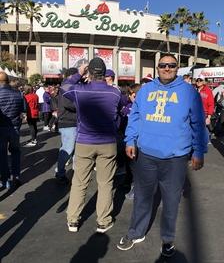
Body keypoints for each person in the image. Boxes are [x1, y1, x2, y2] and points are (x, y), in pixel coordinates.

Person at [117, 54, 207, 257]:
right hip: (146, 154)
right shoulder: (146, 90)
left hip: (176, 158)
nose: (167, 68)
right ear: (157, 68)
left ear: (177, 68)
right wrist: (130, 140)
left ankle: (167, 240)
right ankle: (135, 232)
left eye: (172, 65)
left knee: (171, 201)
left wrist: (199, 151)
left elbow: (198, 124)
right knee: (142, 197)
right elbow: (135, 117)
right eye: (163, 65)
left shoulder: (189, 92)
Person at [61, 57, 122, 233]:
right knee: (105, 183)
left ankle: (73, 220)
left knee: (80, 182)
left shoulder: (79, 90)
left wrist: (79, 73)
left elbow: (64, 87)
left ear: (89, 72)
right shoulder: (115, 93)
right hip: (107, 143)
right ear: (104, 73)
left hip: (84, 142)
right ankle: (103, 221)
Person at [0, 72, 24, 189]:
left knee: (2, 154)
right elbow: (22, 110)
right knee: (15, 152)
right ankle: (16, 175)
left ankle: (5, 179)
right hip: (15, 127)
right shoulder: (18, 93)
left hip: (1, 128)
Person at [55, 68, 78, 184]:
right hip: (69, 122)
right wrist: (81, 104)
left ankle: (61, 171)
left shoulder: (66, 86)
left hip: (69, 122)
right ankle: (60, 173)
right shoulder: (66, 86)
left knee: (68, 149)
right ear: (70, 76)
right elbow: (68, 104)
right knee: (68, 150)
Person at [196, 75, 214, 140]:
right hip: (194, 114)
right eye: (197, 80)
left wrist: (208, 117)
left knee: (203, 134)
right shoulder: (194, 89)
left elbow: (211, 104)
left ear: (203, 81)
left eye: (200, 80)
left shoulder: (208, 91)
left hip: (204, 115)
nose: (198, 82)